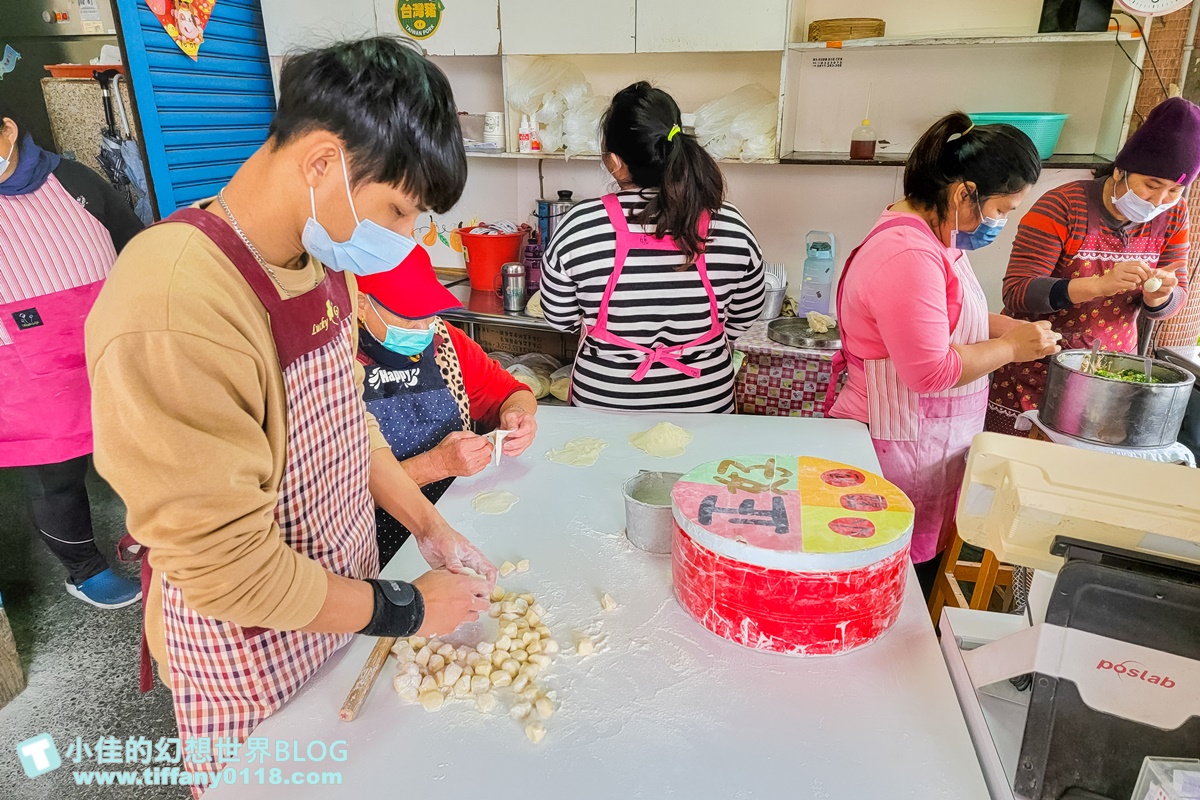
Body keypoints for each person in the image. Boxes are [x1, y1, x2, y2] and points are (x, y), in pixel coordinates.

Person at [85, 38, 495, 794]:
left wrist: (428, 525)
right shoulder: (175, 303)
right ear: (321, 163)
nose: (406, 238)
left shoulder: (321, 261)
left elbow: (345, 424)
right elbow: (230, 572)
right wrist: (405, 609)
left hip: (344, 612)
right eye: (399, 211)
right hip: (251, 652)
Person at [829, 112, 1060, 591]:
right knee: (889, 579)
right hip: (894, 446)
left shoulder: (935, 238)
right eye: (1002, 209)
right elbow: (930, 370)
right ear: (962, 194)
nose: (1000, 223)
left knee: (912, 572)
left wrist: (1010, 329)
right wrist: (1009, 348)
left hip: (926, 443)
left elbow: (945, 317)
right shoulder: (908, 255)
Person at [540, 82, 766, 413]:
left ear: (614, 162)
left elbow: (559, 318)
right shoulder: (730, 223)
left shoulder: (580, 225)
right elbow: (744, 317)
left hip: (606, 405)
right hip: (705, 404)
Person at [0, 101, 143, 608]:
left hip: (107, 346)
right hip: (24, 368)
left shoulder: (74, 180)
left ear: (7, 129)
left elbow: (136, 245)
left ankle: (153, 530)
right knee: (56, 472)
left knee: (137, 444)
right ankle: (85, 572)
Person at [987, 97, 1197, 434]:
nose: (1159, 201)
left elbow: (1177, 293)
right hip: (1035, 367)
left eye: (1174, 190)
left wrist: (1160, 297)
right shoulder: (1063, 205)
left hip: (1108, 377)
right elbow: (1018, 292)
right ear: (1121, 170)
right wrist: (1097, 286)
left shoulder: (1174, 215)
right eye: (1151, 185)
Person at [355, 246, 538, 566]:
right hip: (372, 550)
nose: (423, 326)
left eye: (428, 310)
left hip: (459, 520)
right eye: (408, 314)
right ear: (361, 303)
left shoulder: (444, 342)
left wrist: (518, 414)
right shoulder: (332, 366)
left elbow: (512, 392)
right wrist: (436, 465)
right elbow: (332, 500)